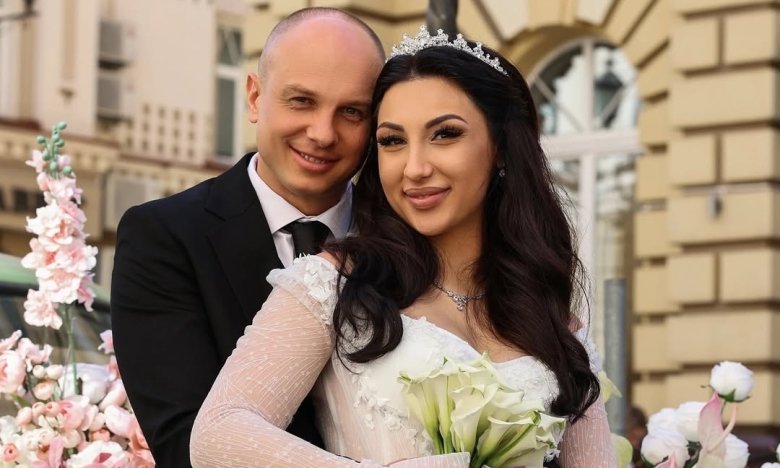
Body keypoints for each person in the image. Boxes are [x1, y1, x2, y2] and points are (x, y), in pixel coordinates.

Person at [190, 27, 617, 467]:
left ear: (502, 148)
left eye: (445, 134)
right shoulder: (334, 285)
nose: (414, 168)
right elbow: (219, 432)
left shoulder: (552, 322)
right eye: (392, 141)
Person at [110, 8, 385, 467]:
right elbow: (186, 446)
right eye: (302, 101)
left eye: (351, 112)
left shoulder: (406, 240)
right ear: (255, 97)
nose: (323, 133)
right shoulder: (164, 238)